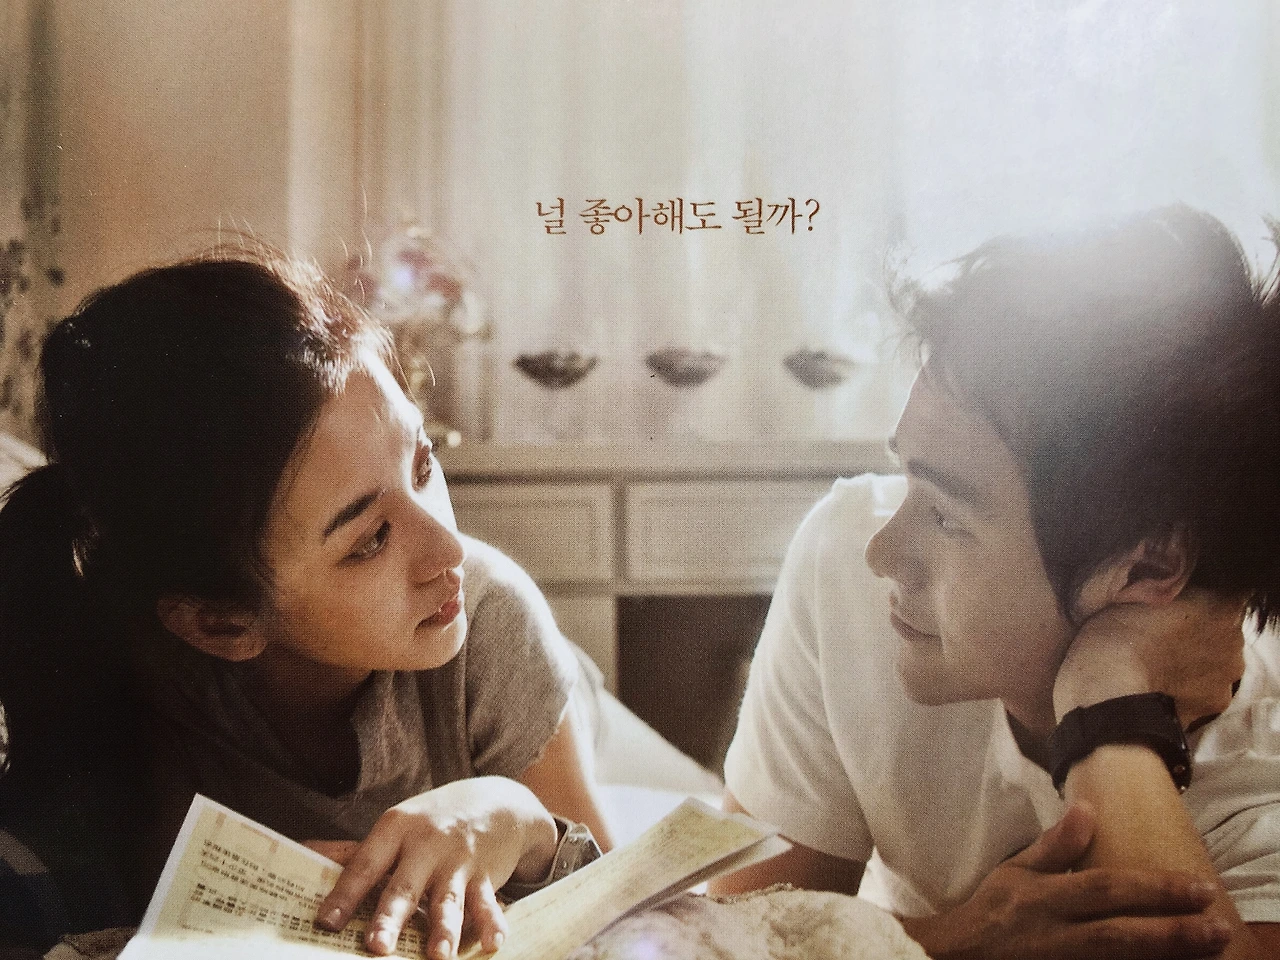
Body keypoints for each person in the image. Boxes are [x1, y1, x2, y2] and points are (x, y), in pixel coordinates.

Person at [0, 251, 612, 958]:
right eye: (370, 539)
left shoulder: (486, 610)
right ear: (222, 624)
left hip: (518, 690)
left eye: (423, 465)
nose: (447, 546)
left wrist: (517, 819)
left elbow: (622, 907)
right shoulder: (153, 686)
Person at [712, 206, 1280, 958]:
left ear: (1145, 567)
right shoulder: (844, 565)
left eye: (948, 517)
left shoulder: (1263, 770)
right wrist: (959, 944)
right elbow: (737, 938)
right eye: (907, 479)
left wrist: (1105, 696)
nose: (885, 551)